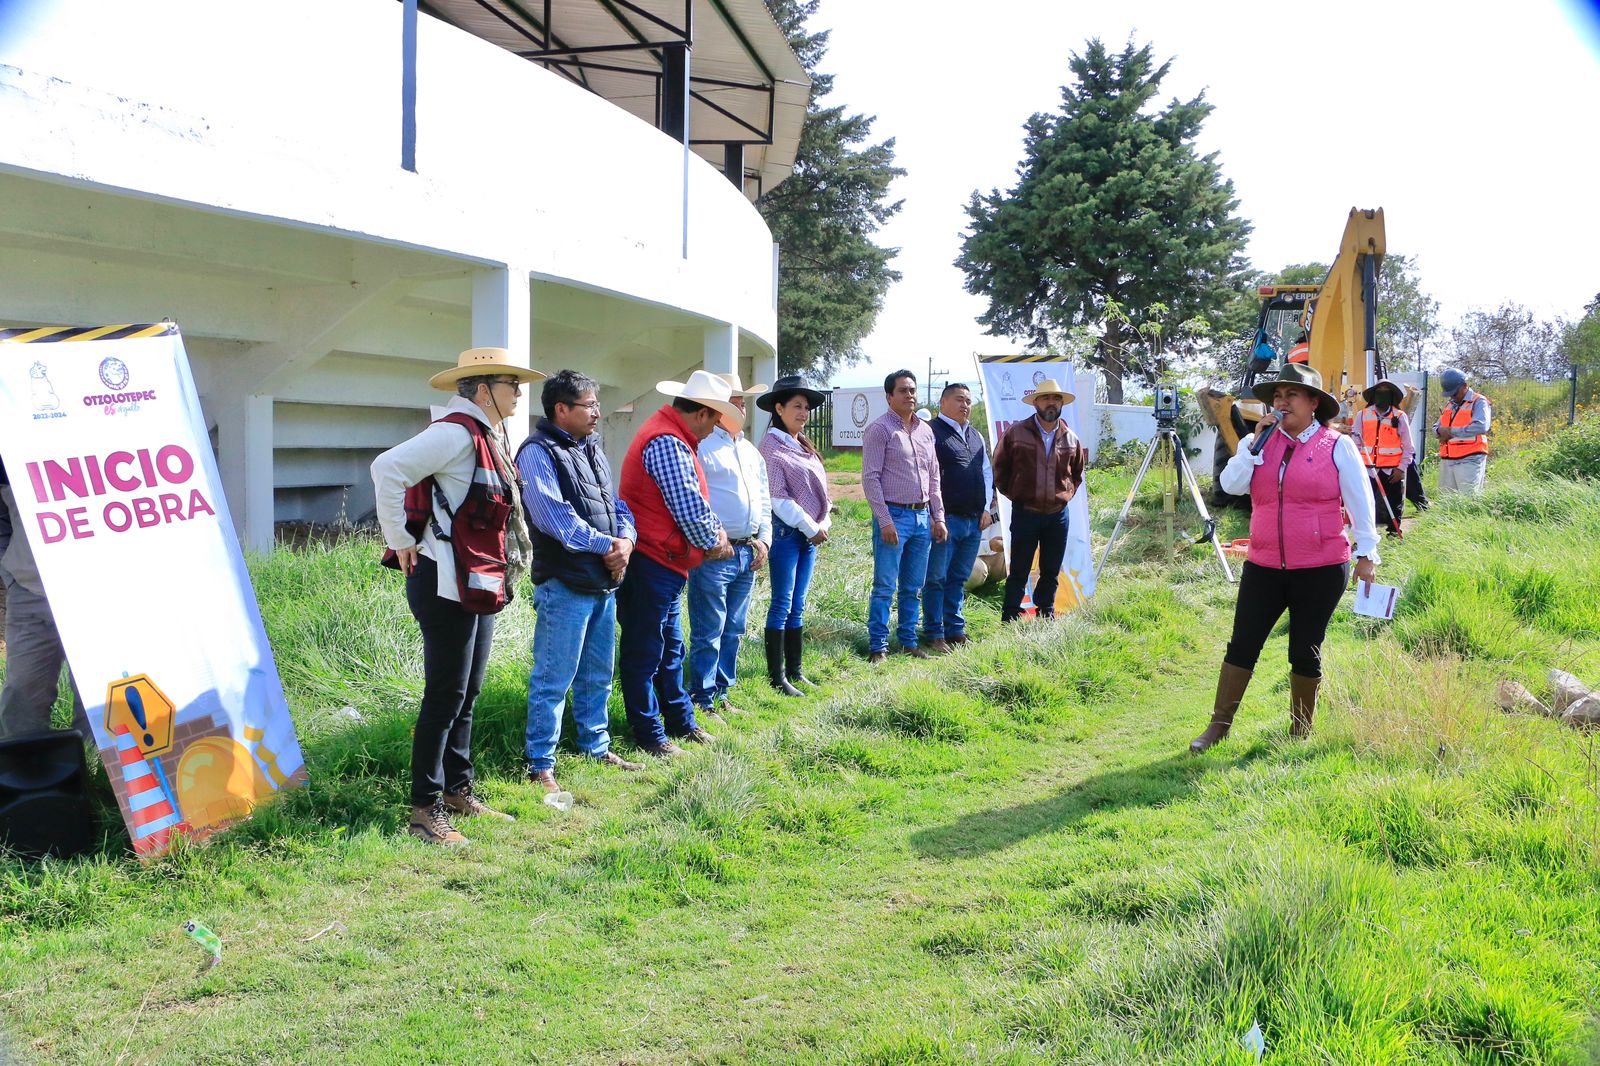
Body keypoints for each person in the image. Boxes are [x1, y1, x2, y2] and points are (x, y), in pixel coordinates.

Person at [372, 347, 540, 845]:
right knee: (446, 693)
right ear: (484, 389)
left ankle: (456, 791)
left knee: (466, 692)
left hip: (472, 578)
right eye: (510, 383)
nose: (518, 392)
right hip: (446, 579)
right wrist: (399, 540)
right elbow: (386, 469)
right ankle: (425, 807)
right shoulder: (454, 433)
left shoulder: (481, 434)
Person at [1190, 363, 1381, 754]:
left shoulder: (1336, 445)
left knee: (1304, 648)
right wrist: (1253, 450)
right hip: (1263, 564)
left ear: (1313, 403)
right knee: (1242, 644)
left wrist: (1367, 555)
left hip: (1322, 566)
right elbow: (1230, 486)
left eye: (1291, 395)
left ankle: (1299, 732)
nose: (1281, 402)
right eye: (1277, 396)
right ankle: (1219, 727)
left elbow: (1362, 503)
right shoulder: (1258, 443)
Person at [514, 369, 644, 795]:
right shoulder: (537, 453)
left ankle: (596, 745)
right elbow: (556, 520)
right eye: (589, 406)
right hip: (564, 583)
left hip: (603, 582)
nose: (597, 413)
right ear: (561, 409)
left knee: (597, 675)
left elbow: (615, 503)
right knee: (554, 677)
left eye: (596, 404)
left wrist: (626, 540)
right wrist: (609, 544)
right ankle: (540, 762)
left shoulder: (591, 446)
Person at [616, 370, 740, 757]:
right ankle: (651, 734)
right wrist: (715, 540)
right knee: (648, 651)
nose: (714, 427)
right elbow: (690, 509)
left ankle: (678, 722)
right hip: (653, 562)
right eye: (715, 418)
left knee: (668, 648)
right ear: (702, 413)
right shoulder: (669, 442)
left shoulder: (667, 434)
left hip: (661, 561)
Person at [685, 372, 771, 721]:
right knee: (709, 629)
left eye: (742, 401)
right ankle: (702, 696)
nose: (741, 407)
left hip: (747, 551)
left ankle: (721, 692)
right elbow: (695, 499)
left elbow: (763, 497)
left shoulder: (750, 450)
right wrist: (710, 539)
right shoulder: (702, 446)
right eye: (734, 400)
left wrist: (764, 538)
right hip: (715, 553)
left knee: (734, 627)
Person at [0, 459, 90, 742]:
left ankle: (101, 774)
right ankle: (23, 775)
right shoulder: (9, 447)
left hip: (95, 597)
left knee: (98, 697)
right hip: (30, 595)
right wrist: (12, 575)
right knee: (23, 695)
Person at [861, 369, 946, 662]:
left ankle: (908, 641)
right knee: (885, 584)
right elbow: (870, 479)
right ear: (889, 396)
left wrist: (939, 517)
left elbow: (933, 476)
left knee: (913, 586)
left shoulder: (925, 431)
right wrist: (884, 520)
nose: (910, 396)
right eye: (903, 391)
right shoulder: (880, 430)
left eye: (912, 390)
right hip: (894, 516)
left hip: (922, 517)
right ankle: (878, 647)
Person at [756, 375, 832, 694]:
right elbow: (778, 498)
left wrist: (823, 522)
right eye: (797, 406)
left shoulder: (802, 445)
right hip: (788, 533)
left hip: (807, 534)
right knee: (782, 602)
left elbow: (822, 492)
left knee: (797, 603)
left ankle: (796, 671)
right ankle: (777, 677)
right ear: (779, 408)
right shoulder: (771, 446)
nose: (803, 412)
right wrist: (812, 527)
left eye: (806, 407)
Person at [991, 378, 1087, 623]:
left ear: (1062, 403)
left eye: (1056, 399)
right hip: (1026, 512)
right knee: (1020, 567)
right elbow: (1000, 468)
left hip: (1058, 515)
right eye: (1046, 398)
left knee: (1051, 569)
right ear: (1035, 402)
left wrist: (1063, 496)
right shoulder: (1015, 433)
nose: (1051, 403)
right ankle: (1010, 615)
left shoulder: (1071, 438)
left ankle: (1046, 613)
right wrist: (1018, 495)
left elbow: (1076, 474)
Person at [920, 382, 996, 653]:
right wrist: (933, 515)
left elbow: (986, 472)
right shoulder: (929, 432)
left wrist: (986, 508)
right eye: (959, 399)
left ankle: (955, 629)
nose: (965, 405)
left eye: (968, 400)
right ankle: (933, 632)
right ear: (943, 403)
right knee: (936, 578)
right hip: (946, 519)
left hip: (974, 520)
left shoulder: (976, 435)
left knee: (959, 577)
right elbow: (925, 476)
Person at [1353, 378, 1414, 536]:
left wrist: (1401, 468)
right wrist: (1357, 467)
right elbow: (1356, 443)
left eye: (1386, 393)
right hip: (1368, 470)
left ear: (1392, 396)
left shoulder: (1400, 417)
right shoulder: (1363, 415)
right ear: (1374, 395)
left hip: (1392, 471)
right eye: (1380, 392)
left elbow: (1408, 447)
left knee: (1394, 503)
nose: (1382, 396)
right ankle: (1366, 535)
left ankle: (1394, 533)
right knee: (1366, 504)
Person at [1433, 366, 1491, 495]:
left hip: (1470, 459)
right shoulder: (1450, 405)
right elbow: (1435, 427)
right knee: (1446, 502)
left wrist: (1451, 432)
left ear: (1464, 386)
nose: (1452, 397)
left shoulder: (1478, 401)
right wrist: (1439, 431)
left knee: (1468, 500)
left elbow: (1481, 426)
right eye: (1450, 394)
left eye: (1454, 393)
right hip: (1448, 460)